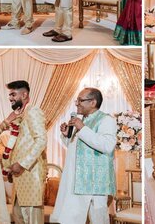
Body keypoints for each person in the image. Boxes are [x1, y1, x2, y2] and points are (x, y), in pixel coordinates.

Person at [51, 88, 117, 224]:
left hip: (95, 181)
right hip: (76, 180)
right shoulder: (82, 120)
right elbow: (77, 148)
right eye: (77, 100)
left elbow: (107, 145)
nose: (77, 103)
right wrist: (66, 136)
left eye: (81, 100)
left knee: (98, 219)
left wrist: (82, 128)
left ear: (93, 102)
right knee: (72, 217)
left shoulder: (106, 120)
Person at [3, 80, 47, 223]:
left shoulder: (33, 111)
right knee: (19, 218)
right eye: (10, 95)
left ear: (24, 94)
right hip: (18, 178)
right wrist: (9, 166)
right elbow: (18, 144)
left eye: (13, 94)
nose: (10, 98)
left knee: (31, 219)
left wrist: (22, 164)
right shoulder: (20, 115)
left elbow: (41, 140)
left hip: (30, 176)